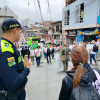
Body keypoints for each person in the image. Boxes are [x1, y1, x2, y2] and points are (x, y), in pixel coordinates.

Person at [0, 18, 31, 100]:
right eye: (20, 30)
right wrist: (27, 68)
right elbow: (14, 83)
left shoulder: (8, 45)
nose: (21, 33)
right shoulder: (5, 50)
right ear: (15, 30)